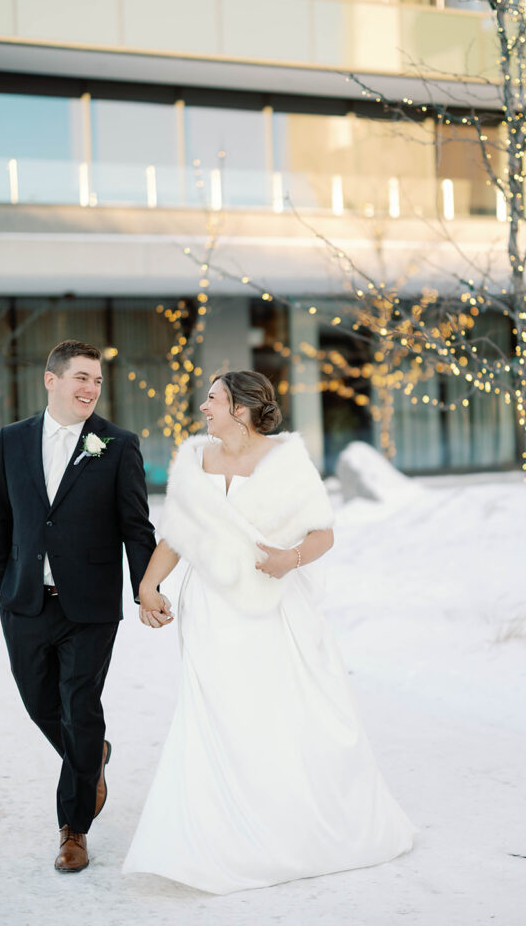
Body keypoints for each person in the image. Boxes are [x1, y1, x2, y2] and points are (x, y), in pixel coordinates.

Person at [123, 370, 414, 894]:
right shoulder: (195, 462)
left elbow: (323, 533)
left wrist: (290, 558)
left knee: (281, 714)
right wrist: (147, 586)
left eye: (212, 399)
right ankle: (215, 842)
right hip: (211, 610)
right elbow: (176, 535)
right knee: (216, 717)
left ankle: (293, 831)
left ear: (241, 409)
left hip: (276, 610)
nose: (204, 408)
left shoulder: (285, 460)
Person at [0, 339, 160, 874]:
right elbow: (0, 516)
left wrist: (145, 587)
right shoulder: (13, 440)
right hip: (24, 602)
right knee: (41, 704)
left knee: (78, 705)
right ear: (51, 379)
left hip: (89, 606)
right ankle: (93, 755)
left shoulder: (118, 444)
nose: (90, 389)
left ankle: (73, 829)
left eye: (97, 381)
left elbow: (136, 525)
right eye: (81, 377)